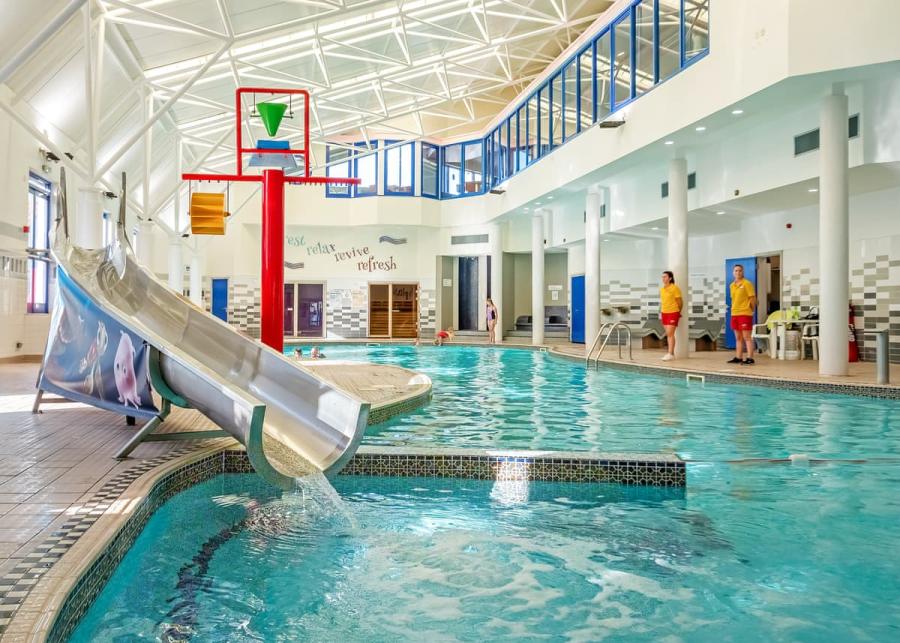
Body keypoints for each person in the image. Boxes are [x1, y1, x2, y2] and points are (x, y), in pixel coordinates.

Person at [728, 264, 757, 365]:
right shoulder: (731, 285)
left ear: (743, 272)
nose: (738, 272)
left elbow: (752, 299)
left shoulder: (747, 284)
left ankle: (750, 358)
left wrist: (751, 310)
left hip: (745, 313)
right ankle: (738, 357)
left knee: (747, 337)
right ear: (733, 272)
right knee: (738, 337)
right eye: (736, 271)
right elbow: (734, 299)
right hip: (734, 313)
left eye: (740, 271)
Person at [659, 271, 683, 361]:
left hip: (673, 312)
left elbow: (680, 302)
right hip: (664, 313)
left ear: (670, 278)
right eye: (662, 277)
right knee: (668, 334)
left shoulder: (675, 288)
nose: (663, 279)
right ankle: (670, 353)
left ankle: (670, 353)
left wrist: (678, 312)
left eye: (665, 277)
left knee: (670, 333)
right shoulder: (662, 289)